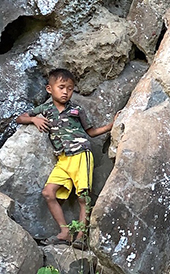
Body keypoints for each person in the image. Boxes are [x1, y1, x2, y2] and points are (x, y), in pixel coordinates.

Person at [16, 68, 116, 248]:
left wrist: (111, 126)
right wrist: (34, 120)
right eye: (61, 87)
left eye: (70, 88)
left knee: (83, 197)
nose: (65, 92)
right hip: (62, 159)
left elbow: (91, 132)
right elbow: (20, 118)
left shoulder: (77, 109)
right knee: (48, 192)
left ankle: (81, 237)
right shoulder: (45, 109)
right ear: (49, 89)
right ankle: (64, 232)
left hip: (81, 154)